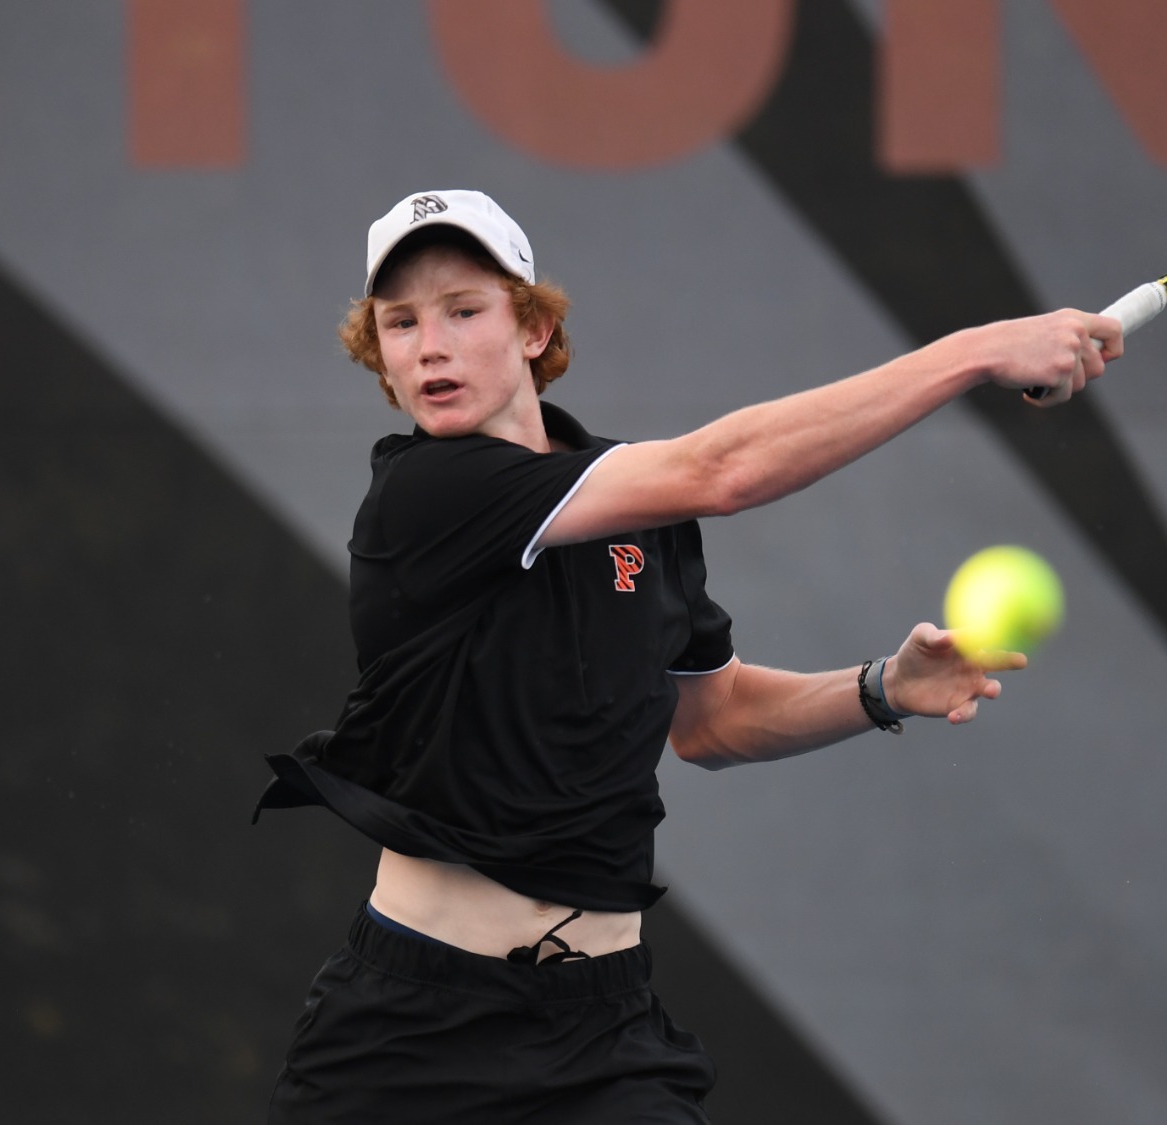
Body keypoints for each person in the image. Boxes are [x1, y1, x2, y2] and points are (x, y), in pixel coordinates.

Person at [254, 190, 1120, 1122]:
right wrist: (979, 349)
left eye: (464, 310)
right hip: (409, 1038)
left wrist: (882, 688)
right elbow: (726, 471)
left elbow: (714, 721)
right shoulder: (424, 494)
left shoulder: (638, 515)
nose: (430, 345)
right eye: (400, 322)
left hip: (603, 1036)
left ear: (535, 328)